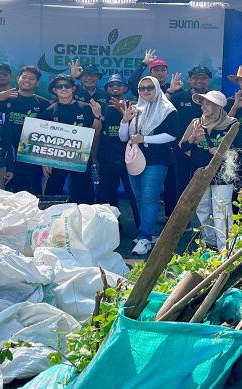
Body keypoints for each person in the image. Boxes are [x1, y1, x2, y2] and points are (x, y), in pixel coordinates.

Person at [119, 75, 181, 255]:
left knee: (149, 197)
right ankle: (150, 232)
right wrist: (124, 120)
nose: (145, 91)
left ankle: (144, 237)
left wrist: (145, 138)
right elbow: (124, 137)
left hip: (156, 160)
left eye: (149, 88)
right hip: (135, 159)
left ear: (157, 88)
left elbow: (172, 135)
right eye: (142, 88)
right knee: (138, 196)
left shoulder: (167, 110)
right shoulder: (136, 109)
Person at [179, 90, 238, 250]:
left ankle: (226, 249)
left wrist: (221, 152)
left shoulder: (232, 124)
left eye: (208, 104)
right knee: (203, 208)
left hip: (223, 174)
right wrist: (192, 138)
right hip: (200, 173)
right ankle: (210, 243)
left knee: (222, 210)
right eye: (203, 104)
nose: (204, 107)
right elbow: (183, 148)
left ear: (218, 106)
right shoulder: (196, 123)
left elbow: (240, 149)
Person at [41, 74, 101, 203]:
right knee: (52, 194)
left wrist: (97, 116)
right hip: (56, 158)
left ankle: (84, 221)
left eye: (67, 86)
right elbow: (43, 139)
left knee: (85, 196)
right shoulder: (49, 111)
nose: (64, 88)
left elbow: (96, 132)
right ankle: (51, 221)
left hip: (81, 158)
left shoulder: (85, 108)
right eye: (59, 86)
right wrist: (44, 162)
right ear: (54, 90)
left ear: (73, 89)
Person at [0, 66, 51, 195]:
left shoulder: (44, 104)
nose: (27, 80)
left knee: (30, 191)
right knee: (5, 192)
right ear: (18, 79)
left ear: (37, 83)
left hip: (31, 156)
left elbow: (50, 132)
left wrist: (47, 160)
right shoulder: (5, 98)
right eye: (24, 77)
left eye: (32, 78)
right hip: (7, 153)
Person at [168, 65, 213, 210]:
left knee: (206, 184)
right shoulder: (179, 97)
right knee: (181, 183)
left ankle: (208, 222)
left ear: (209, 80)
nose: (199, 81)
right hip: (182, 147)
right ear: (189, 80)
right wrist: (170, 90)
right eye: (195, 78)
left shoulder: (214, 98)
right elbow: (160, 105)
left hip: (206, 148)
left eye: (203, 78)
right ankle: (180, 221)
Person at [96, 74, 140, 224]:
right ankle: (112, 227)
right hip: (106, 154)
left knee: (133, 192)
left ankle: (141, 230)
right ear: (106, 89)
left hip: (128, 155)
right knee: (107, 193)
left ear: (125, 88)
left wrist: (125, 112)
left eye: (119, 84)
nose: (114, 87)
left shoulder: (134, 106)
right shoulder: (99, 106)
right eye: (111, 85)